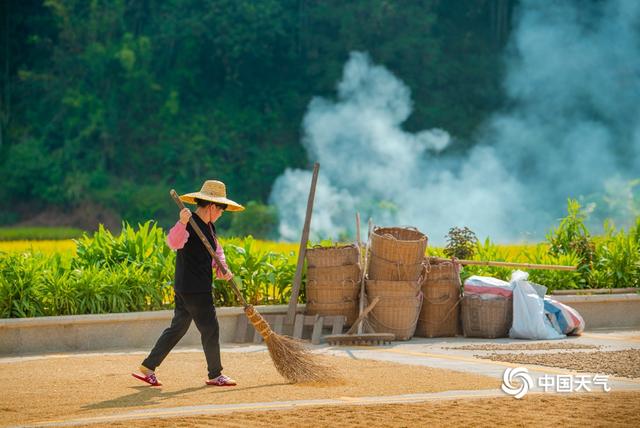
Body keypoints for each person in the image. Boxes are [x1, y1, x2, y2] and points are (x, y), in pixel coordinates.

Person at [132, 180, 244, 387]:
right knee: (210, 328)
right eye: (220, 210)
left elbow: (217, 252)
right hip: (195, 288)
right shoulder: (189, 223)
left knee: (178, 328)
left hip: (187, 287)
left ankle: (148, 367)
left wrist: (223, 269)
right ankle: (215, 374)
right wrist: (181, 223)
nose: (220, 214)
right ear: (212, 207)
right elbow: (173, 243)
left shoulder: (209, 228)